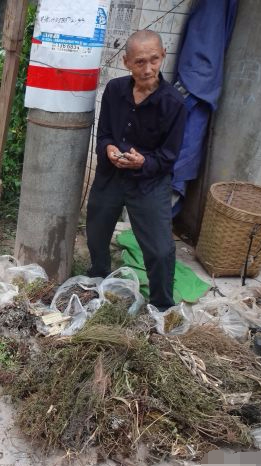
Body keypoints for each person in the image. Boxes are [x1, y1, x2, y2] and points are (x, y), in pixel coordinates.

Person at [86, 30, 187, 311]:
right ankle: (98, 277)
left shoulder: (174, 104)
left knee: (159, 249)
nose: (148, 69)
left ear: (163, 56)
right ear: (126, 62)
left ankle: (162, 306)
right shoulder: (115, 90)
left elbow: (168, 157)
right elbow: (105, 133)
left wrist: (144, 162)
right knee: (96, 229)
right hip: (112, 174)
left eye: (154, 60)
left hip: (150, 181)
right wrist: (107, 149)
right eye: (140, 62)